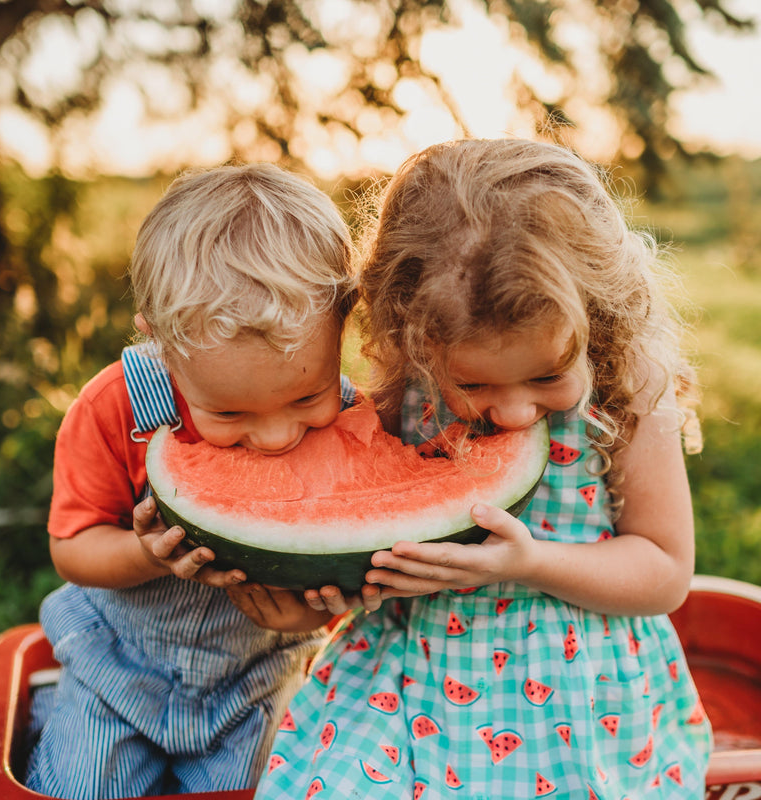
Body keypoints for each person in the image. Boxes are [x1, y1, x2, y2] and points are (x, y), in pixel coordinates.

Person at [255, 138, 712, 799]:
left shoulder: (629, 386)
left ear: (599, 317)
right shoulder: (405, 390)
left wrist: (530, 563)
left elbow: (665, 572)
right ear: (416, 341)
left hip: (582, 702)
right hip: (411, 680)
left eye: (549, 375)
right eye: (472, 385)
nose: (517, 413)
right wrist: (335, 588)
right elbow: (359, 543)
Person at [23, 162, 371, 799]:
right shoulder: (114, 411)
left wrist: (311, 613)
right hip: (115, 674)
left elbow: (350, 570)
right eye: (230, 413)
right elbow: (70, 549)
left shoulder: (356, 426)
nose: (276, 437)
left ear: (342, 326)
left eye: (307, 396)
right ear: (161, 346)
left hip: (256, 683)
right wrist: (142, 554)